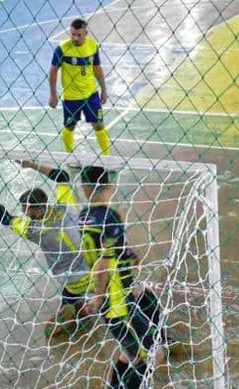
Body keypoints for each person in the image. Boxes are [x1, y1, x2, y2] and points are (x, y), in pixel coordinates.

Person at [0, 159, 95, 336]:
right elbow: (62, 176)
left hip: (72, 280)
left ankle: (73, 311)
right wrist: (32, 165)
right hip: (95, 267)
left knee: (68, 298)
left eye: (26, 208)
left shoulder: (34, 231)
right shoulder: (66, 207)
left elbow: (5, 219)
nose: (24, 212)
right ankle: (90, 301)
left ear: (38, 211)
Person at [77, 166, 163, 389]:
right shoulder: (110, 217)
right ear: (110, 187)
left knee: (132, 350)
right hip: (117, 299)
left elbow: (105, 251)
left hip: (115, 294)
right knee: (148, 355)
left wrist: (128, 254)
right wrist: (99, 297)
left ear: (84, 188)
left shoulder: (84, 216)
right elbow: (103, 264)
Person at [49, 18, 112, 156]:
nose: (75, 38)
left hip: (91, 95)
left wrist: (104, 90)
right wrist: (53, 95)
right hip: (71, 97)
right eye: (72, 34)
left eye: (79, 35)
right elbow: (53, 71)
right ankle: (69, 156)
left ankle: (107, 157)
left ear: (86, 33)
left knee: (99, 125)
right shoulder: (62, 49)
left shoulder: (93, 46)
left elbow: (97, 68)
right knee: (70, 126)